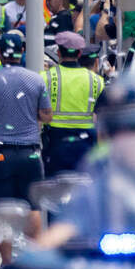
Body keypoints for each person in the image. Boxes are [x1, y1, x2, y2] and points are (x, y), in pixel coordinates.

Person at [0, 57, 51, 265]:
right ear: (21, 52)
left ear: (0, 53)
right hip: (30, 153)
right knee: (33, 206)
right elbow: (47, 115)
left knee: (1, 208)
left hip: (1, 154)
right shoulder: (36, 80)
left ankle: (7, 262)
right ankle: (35, 261)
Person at [40, 31, 102, 175]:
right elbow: (102, 118)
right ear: (79, 54)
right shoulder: (97, 80)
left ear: (59, 53)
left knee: (55, 186)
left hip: (55, 141)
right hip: (86, 143)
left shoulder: (45, 78)